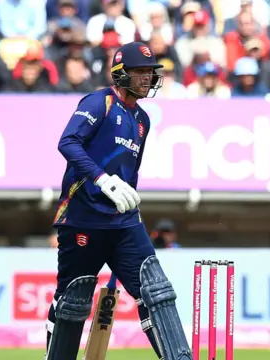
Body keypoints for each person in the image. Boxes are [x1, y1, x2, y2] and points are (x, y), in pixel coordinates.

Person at [45, 42, 192, 360]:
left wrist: (133, 208)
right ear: (121, 73)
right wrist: (101, 178)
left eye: (151, 73)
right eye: (140, 72)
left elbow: (130, 174)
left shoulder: (142, 120)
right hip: (83, 217)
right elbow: (68, 142)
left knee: (157, 292)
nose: (147, 79)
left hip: (124, 224)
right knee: (73, 302)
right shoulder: (100, 102)